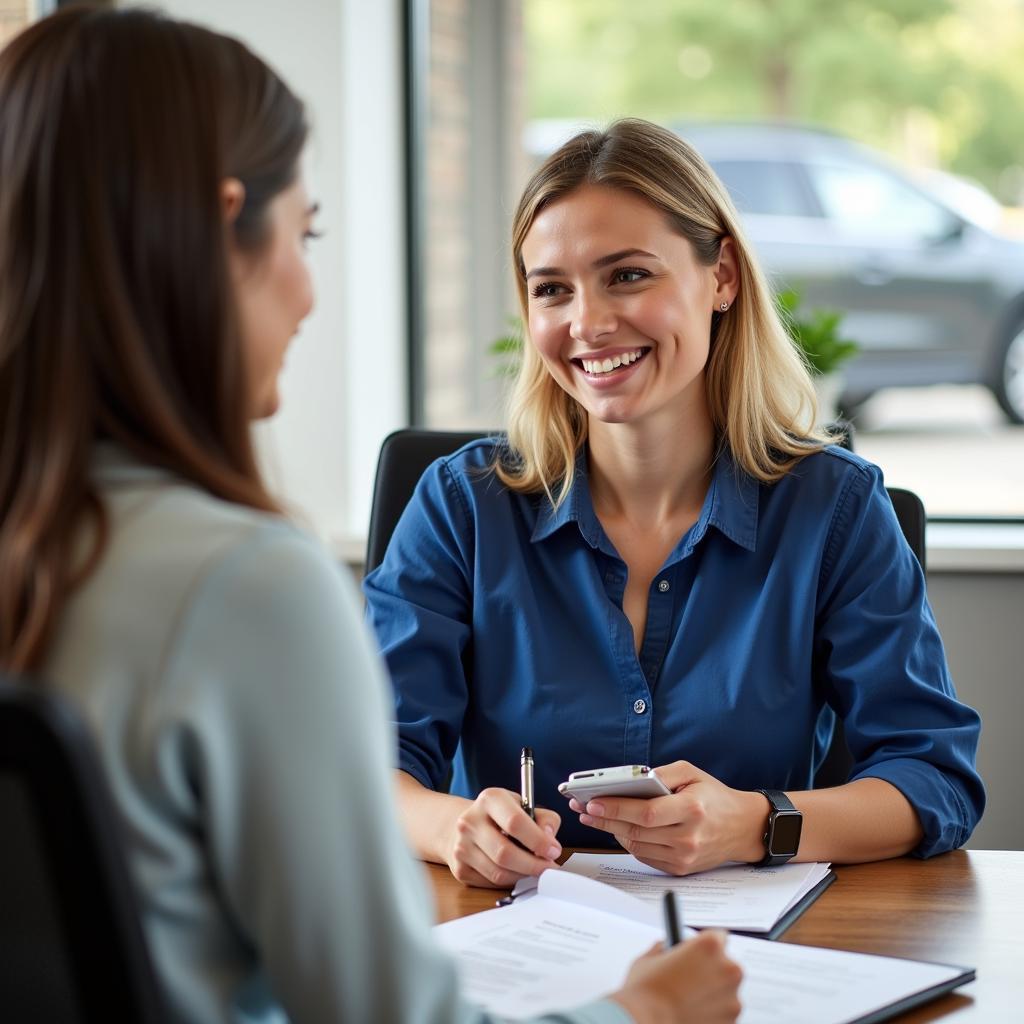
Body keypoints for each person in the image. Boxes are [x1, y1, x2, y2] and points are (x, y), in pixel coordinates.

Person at [0, 10, 742, 1024]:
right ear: (224, 230)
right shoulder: (241, 584)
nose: (308, 294)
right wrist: (646, 1015)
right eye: (305, 233)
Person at [364, 118, 986, 889]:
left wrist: (758, 823)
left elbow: (933, 780)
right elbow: (367, 766)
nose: (586, 323)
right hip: (520, 956)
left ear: (721, 275)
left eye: (627, 275)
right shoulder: (463, 506)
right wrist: (456, 828)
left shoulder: (836, 508)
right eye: (552, 289)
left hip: (755, 963)